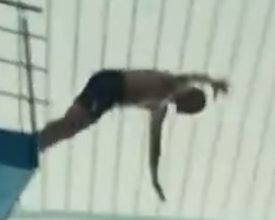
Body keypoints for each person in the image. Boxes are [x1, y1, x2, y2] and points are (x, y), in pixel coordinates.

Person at [38, 69, 230, 200]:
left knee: (71, 125)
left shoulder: (160, 108)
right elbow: (193, 77)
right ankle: (40, 141)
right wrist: (214, 82)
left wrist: (154, 177)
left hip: (109, 94)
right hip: (111, 84)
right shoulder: (171, 84)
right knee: (73, 123)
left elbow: (155, 145)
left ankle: (39, 141)